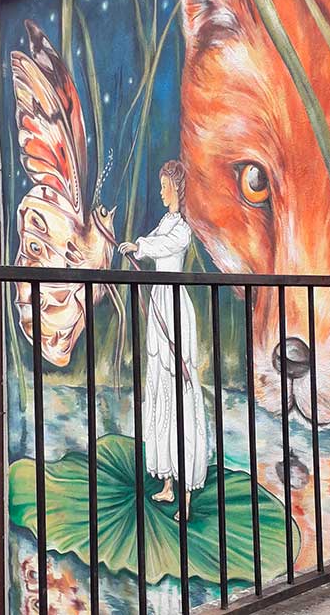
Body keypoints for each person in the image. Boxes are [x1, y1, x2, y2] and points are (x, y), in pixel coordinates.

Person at [119, 160, 208, 521]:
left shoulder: (182, 229)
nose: (160, 192)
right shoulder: (166, 222)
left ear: (176, 188)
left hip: (173, 306)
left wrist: (138, 246)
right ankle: (168, 481)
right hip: (159, 300)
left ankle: (185, 493)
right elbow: (155, 240)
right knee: (159, 386)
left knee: (179, 389)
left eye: (164, 186)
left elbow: (163, 246)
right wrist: (136, 247)